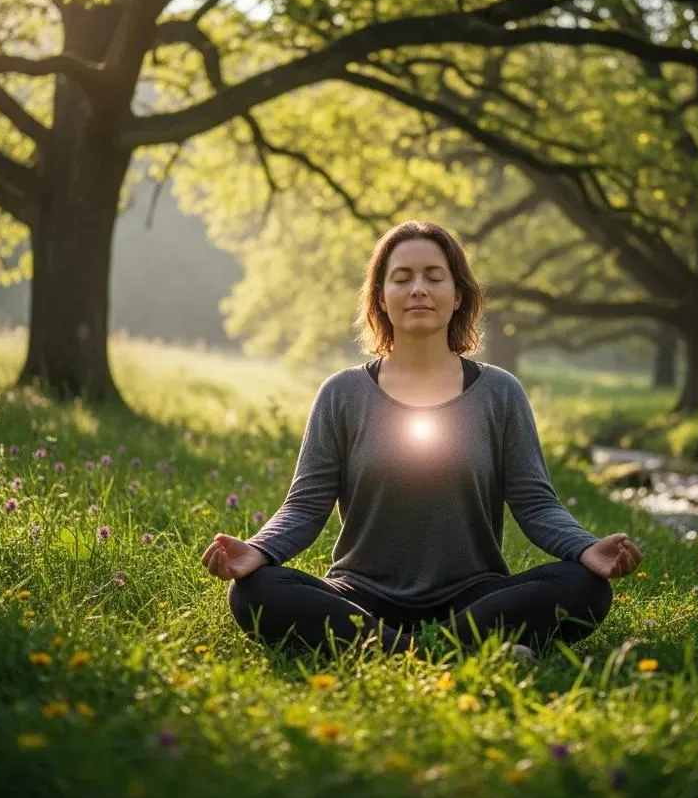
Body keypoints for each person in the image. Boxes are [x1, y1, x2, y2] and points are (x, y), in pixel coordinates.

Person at [201, 221, 643, 658]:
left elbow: (536, 503)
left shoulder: (500, 393)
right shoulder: (342, 393)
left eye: (434, 277)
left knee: (584, 587)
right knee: (254, 592)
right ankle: (445, 651)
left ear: (458, 297)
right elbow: (305, 505)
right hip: (361, 595)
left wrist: (585, 548)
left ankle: (396, 651)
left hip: (474, 597)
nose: (418, 289)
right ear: (381, 297)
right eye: (402, 278)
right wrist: (258, 550)